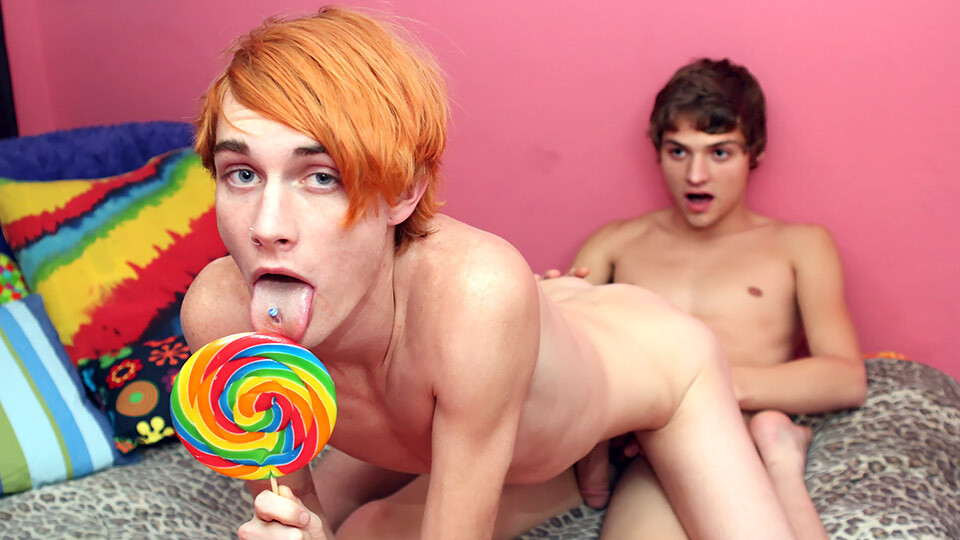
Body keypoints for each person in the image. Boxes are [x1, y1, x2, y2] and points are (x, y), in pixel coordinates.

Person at [181, 9, 798, 540]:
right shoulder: (220, 321)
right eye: (242, 174)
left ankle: (778, 457)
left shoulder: (471, 303)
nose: (266, 226)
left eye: (321, 176)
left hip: (656, 362)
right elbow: (293, 512)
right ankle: (587, 451)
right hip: (498, 390)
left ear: (404, 193)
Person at [561, 58, 867, 539]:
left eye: (720, 153)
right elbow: (568, 362)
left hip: (734, 430)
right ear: (658, 151)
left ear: (754, 153)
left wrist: (702, 387)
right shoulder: (615, 244)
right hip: (648, 440)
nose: (696, 175)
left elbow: (845, 378)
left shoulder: (801, 245)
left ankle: (780, 456)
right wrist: (550, 305)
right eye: (678, 152)